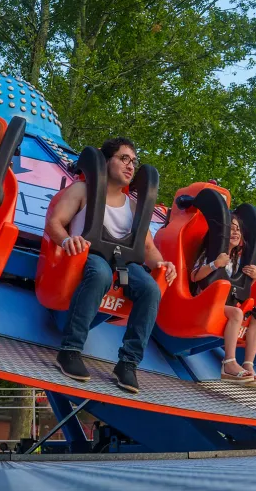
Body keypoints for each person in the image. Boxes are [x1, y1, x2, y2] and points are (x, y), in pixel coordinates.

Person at [45, 137, 177, 394]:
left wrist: (163, 263)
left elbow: (147, 249)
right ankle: (70, 351)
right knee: (101, 272)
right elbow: (54, 223)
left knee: (150, 288)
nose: (130, 166)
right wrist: (68, 240)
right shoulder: (82, 190)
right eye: (124, 158)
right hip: (88, 256)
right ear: (106, 162)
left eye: (134, 162)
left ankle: (127, 363)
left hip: (125, 264)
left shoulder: (135, 206)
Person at [191, 214, 256, 385]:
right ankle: (228, 363)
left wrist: (253, 278)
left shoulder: (237, 260)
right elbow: (194, 276)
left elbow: (239, 289)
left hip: (227, 305)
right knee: (237, 313)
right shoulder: (211, 253)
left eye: (238, 229)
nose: (235, 232)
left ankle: (248, 365)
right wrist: (215, 264)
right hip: (205, 303)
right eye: (230, 228)